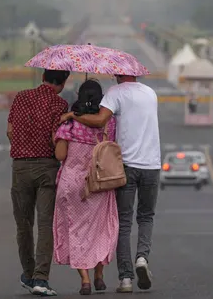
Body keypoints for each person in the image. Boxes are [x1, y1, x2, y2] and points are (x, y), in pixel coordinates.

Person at [60, 74, 161, 293]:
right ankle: (142, 257)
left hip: (125, 166)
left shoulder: (116, 93)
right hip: (152, 164)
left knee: (123, 222)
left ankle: (125, 278)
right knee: (146, 216)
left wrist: (73, 114)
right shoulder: (150, 93)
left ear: (118, 74)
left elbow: (99, 120)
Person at [7, 69, 70, 297]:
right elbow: (57, 139)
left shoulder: (21, 97)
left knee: (23, 225)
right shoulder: (60, 104)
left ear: (43, 77)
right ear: (62, 83)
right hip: (47, 169)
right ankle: (41, 280)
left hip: (21, 167)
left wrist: (25, 144)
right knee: (45, 225)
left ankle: (28, 272)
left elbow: (10, 131)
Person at [53, 79, 119, 295]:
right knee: (100, 231)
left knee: (76, 231)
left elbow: (60, 155)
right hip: (99, 184)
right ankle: (99, 275)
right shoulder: (108, 124)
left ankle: (85, 280)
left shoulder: (68, 125)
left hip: (72, 184)